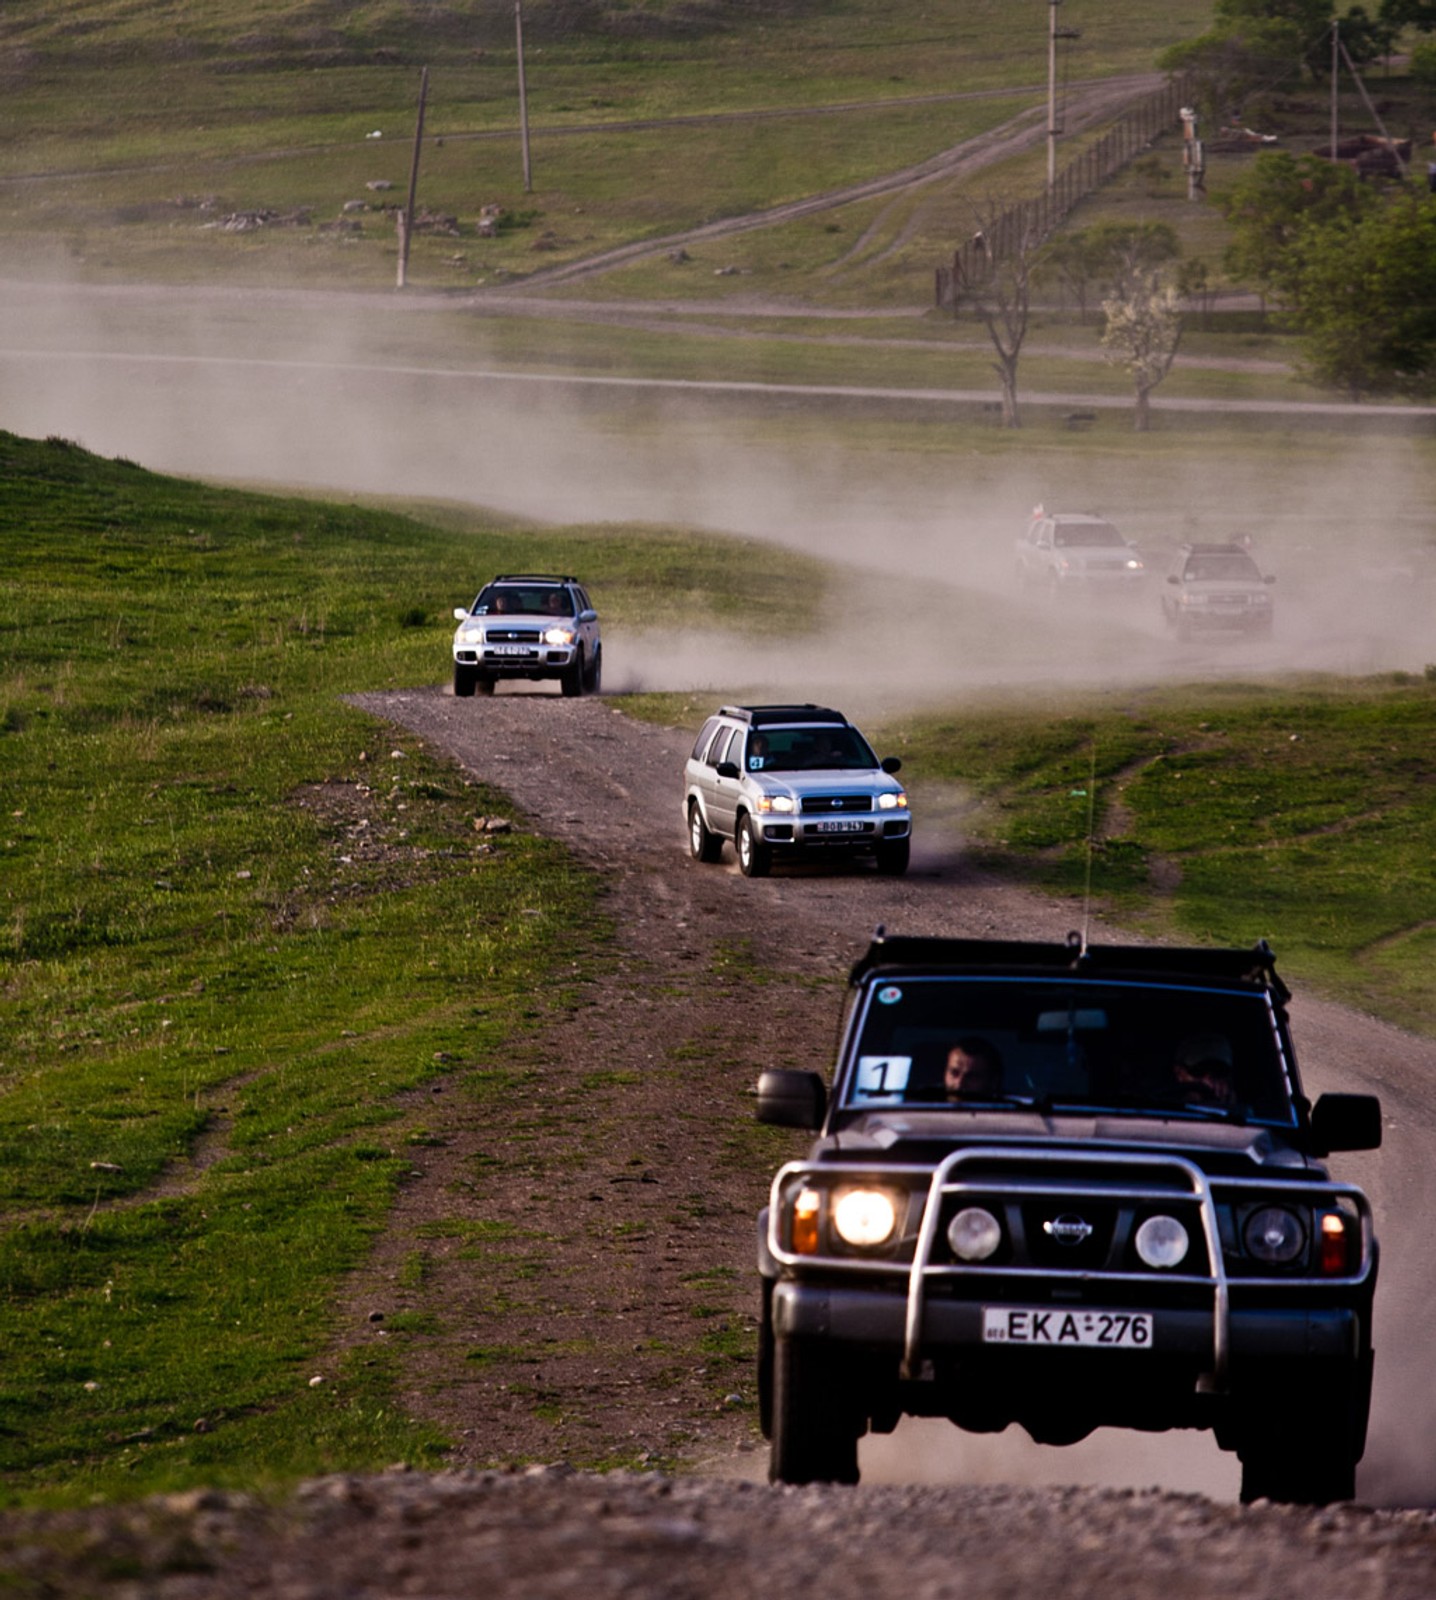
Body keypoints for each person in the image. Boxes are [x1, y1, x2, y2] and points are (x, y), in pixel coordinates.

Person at [1171, 1032, 1237, 1108]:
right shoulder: (1161, 1110)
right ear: (1179, 1073)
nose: (1208, 1082)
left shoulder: (1244, 1115)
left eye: (1218, 1072)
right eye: (1199, 1071)